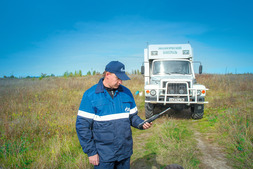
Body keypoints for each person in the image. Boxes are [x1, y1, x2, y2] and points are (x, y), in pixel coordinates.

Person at [76, 61, 152, 169]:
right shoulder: (91, 95)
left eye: (122, 79)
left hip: (124, 153)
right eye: (118, 78)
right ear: (107, 75)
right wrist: (91, 152)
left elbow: (132, 117)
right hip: (103, 156)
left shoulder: (127, 93)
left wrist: (141, 124)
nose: (120, 82)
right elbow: (82, 126)